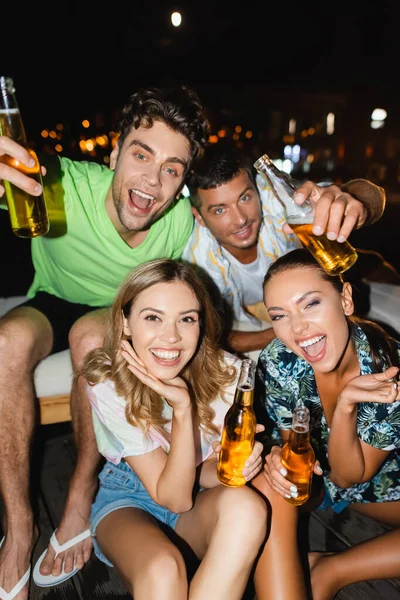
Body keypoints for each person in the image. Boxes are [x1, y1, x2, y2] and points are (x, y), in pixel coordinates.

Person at [0, 85, 210, 597]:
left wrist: (352, 196)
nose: (152, 180)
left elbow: (260, 211)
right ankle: (21, 525)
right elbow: (18, 171)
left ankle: (79, 495)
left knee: (92, 333)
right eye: (141, 154)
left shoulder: (183, 221)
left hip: (113, 314)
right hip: (51, 297)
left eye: (172, 168)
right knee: (6, 342)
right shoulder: (57, 181)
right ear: (114, 153)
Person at [81, 258, 267, 599]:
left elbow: (203, 476)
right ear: (125, 323)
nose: (171, 337)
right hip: (129, 499)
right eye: (153, 317)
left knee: (248, 508)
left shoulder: (229, 374)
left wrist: (231, 470)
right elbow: (173, 498)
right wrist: (183, 408)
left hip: (197, 496)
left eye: (187, 319)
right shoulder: (109, 381)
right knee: (164, 568)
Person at [251, 247, 400, 600]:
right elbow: (301, 455)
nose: (298, 328)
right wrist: (280, 459)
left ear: (345, 300)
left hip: (381, 480)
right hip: (323, 482)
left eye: (311, 304)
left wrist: (347, 404)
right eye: (280, 315)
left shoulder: (389, 368)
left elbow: (351, 476)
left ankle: (331, 569)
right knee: (269, 483)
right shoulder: (280, 359)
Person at [182, 145, 388, 359]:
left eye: (245, 198)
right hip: (252, 316)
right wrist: (287, 329)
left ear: (257, 189)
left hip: (315, 277)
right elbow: (213, 336)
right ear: (198, 216)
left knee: (380, 274)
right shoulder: (199, 261)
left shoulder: (277, 197)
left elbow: (369, 195)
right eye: (220, 210)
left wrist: (359, 206)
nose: (241, 219)